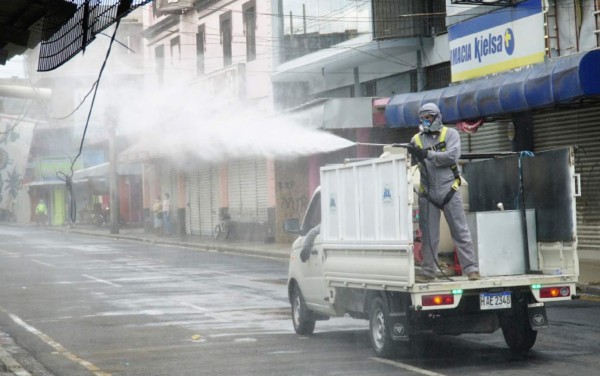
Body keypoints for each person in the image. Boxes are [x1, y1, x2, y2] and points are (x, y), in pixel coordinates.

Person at [406, 103, 480, 283]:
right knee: (428, 236)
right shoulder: (416, 139)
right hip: (427, 193)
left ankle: (471, 270)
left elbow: (451, 157)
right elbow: (413, 162)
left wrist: (427, 155)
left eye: (429, 117)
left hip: (450, 190)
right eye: (423, 117)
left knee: (460, 231)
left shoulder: (451, 134)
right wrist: (414, 154)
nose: (426, 120)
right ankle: (428, 272)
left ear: (437, 117)